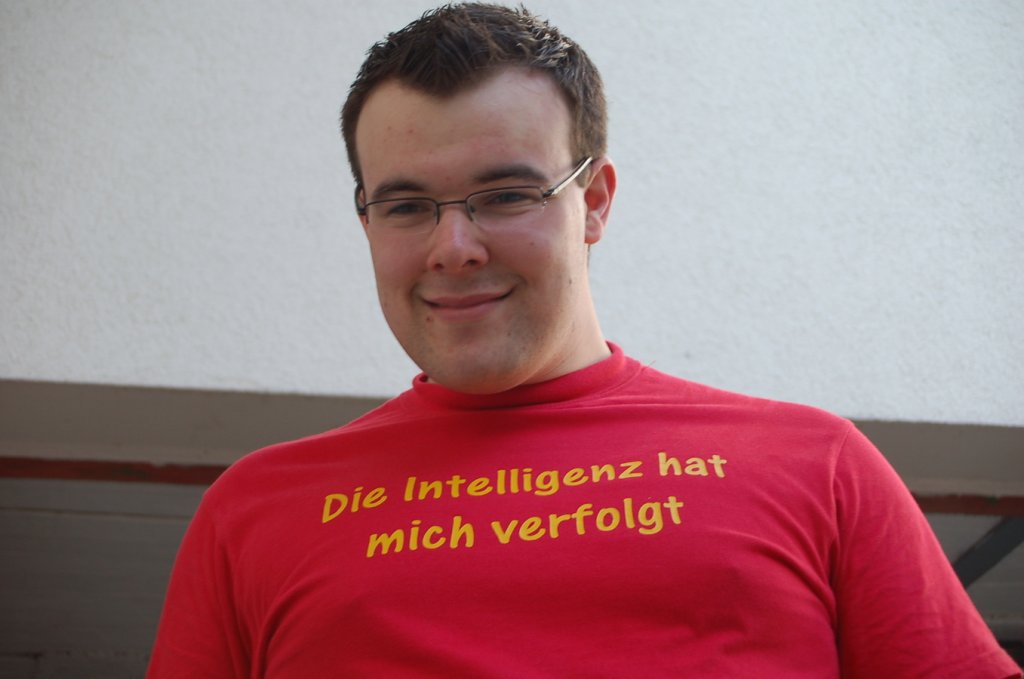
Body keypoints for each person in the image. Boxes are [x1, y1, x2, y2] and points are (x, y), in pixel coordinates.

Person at [148, 4, 1021, 677]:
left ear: (594, 202)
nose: (454, 246)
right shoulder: (251, 514)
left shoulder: (817, 468)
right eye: (407, 205)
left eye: (505, 195)